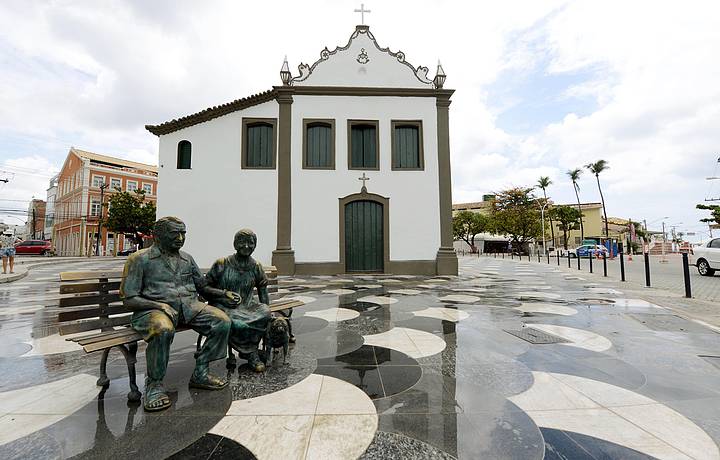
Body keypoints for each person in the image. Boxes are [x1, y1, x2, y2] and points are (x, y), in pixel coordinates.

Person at [120, 216, 231, 412]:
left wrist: (223, 294)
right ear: (158, 236)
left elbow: (202, 287)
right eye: (175, 234)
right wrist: (159, 306)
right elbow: (129, 299)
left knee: (222, 321)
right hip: (151, 311)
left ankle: (201, 371)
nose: (180, 238)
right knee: (163, 329)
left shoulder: (187, 259)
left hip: (189, 307)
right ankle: (154, 386)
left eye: (183, 234)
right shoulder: (139, 259)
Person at [204, 229, 273, 372]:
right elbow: (204, 288)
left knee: (264, 313)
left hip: (247, 305)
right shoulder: (222, 263)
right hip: (223, 306)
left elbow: (263, 292)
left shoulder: (256, 266)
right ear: (235, 244)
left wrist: (267, 312)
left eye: (251, 243)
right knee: (239, 324)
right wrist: (222, 296)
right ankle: (251, 353)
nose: (246, 246)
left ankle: (248, 351)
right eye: (242, 242)